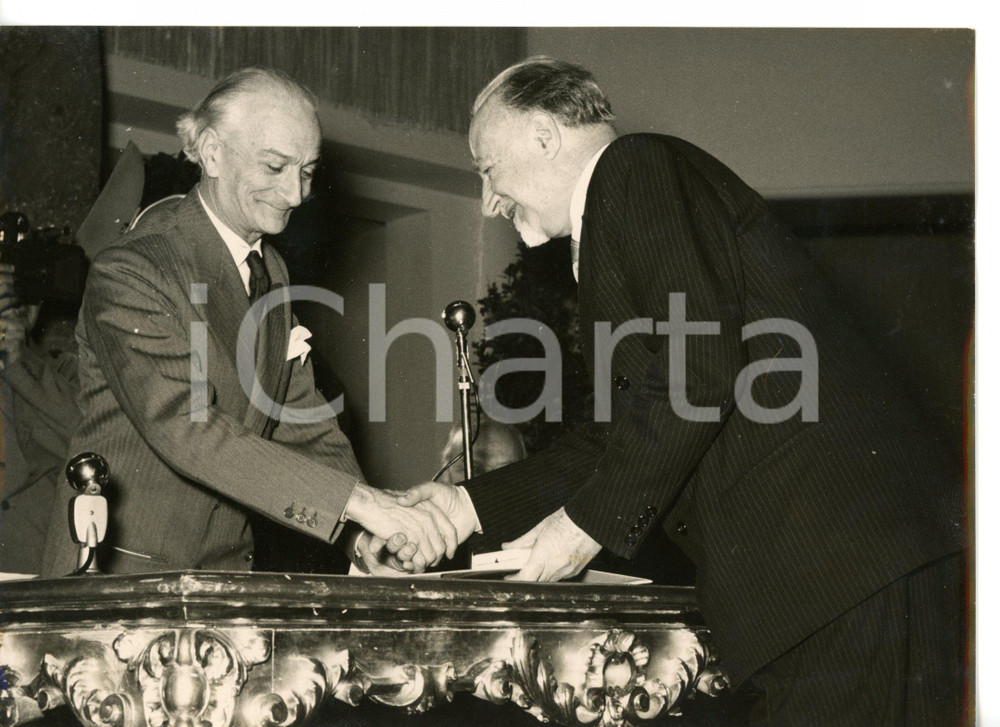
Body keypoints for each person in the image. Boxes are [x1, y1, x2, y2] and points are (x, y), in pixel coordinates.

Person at [394, 57, 966, 725]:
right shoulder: (624, 201)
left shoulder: (633, 169)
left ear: (544, 136)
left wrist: (581, 529)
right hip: (829, 579)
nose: (489, 199)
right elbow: (613, 436)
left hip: (836, 572)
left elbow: (697, 368)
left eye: (487, 169)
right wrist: (463, 506)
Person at [40, 67, 456, 576]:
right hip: (121, 572)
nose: (296, 193)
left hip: (224, 576)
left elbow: (300, 419)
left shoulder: (270, 272)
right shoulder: (135, 267)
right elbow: (185, 426)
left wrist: (360, 534)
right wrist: (360, 503)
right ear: (212, 152)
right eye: (275, 166)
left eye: (307, 171)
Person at [0, 267, 80, 575]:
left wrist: (19, 362)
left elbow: (89, 442)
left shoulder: (65, 373)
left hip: (31, 567)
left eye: (25, 300)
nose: (14, 309)